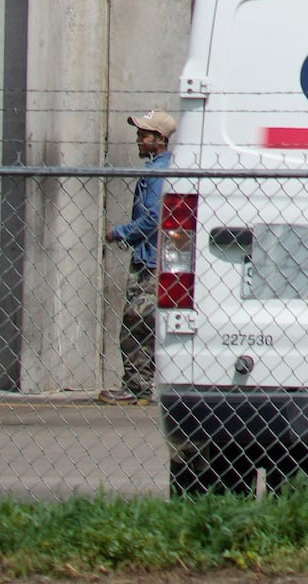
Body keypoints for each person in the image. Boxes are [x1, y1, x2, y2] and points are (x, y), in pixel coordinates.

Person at [100, 110, 175, 401]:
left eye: (144, 135)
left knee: (136, 323)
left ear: (160, 139)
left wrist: (118, 232)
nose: (138, 140)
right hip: (160, 257)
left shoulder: (157, 173)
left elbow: (153, 218)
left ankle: (136, 387)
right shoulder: (165, 167)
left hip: (153, 261)